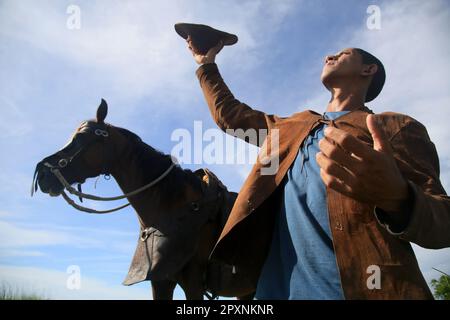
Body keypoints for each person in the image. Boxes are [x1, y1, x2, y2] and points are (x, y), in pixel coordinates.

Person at [186, 40, 450, 299]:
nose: (328, 57)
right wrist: (206, 65)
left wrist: (399, 197)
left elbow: (443, 221)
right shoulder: (288, 128)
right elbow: (232, 116)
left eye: (342, 53)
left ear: (368, 70)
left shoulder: (394, 126)